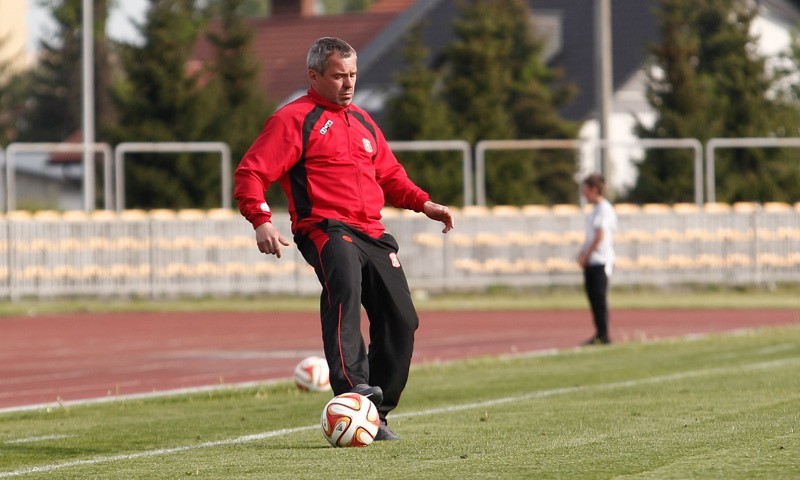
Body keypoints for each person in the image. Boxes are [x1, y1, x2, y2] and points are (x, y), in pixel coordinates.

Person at [233, 37, 454, 441]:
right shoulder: (292, 119)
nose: (348, 83)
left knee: (403, 320)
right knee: (345, 290)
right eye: (338, 76)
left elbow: (390, 177)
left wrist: (424, 204)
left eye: (353, 74)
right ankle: (353, 391)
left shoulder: (365, 122)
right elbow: (251, 172)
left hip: (372, 232)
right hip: (326, 228)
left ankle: (375, 414)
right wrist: (260, 219)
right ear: (314, 76)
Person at [576, 173, 617, 345]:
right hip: (592, 261)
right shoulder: (594, 211)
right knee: (593, 299)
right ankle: (600, 333)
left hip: (600, 261)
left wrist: (587, 254)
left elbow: (600, 235)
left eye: (585, 190)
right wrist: (583, 253)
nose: (583, 194)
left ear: (594, 189)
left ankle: (604, 334)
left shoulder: (604, 209)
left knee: (599, 299)